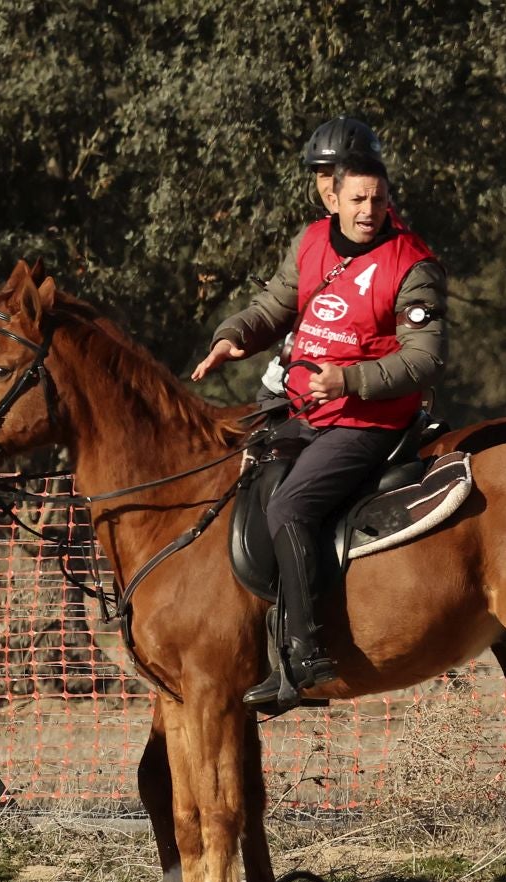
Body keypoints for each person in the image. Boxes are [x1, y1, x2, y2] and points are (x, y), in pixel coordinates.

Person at [191, 149, 447, 711]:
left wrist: (350, 380)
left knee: (291, 508)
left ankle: (306, 657)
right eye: (357, 199)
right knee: (248, 480)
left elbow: (425, 359)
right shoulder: (312, 242)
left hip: (368, 421)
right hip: (302, 413)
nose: (369, 210)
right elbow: (275, 304)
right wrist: (234, 335)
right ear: (332, 197)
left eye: (378, 200)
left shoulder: (412, 263)